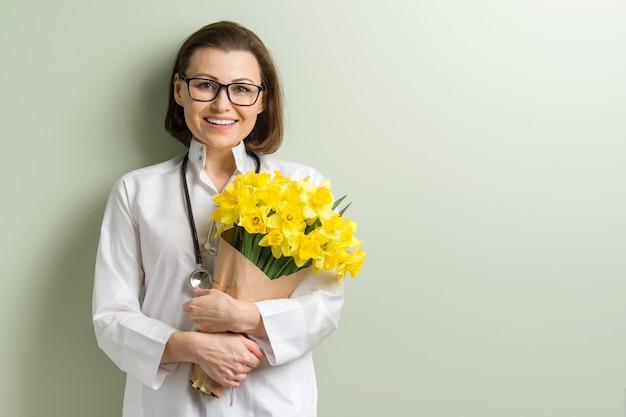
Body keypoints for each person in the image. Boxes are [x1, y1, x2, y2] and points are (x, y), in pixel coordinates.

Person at [92, 21, 344, 417]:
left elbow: (325, 305)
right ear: (179, 90)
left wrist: (248, 317)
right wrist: (191, 345)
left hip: (272, 400)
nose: (222, 105)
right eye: (206, 85)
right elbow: (110, 315)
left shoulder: (302, 186)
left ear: (263, 101)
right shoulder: (135, 191)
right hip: (171, 403)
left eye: (242, 89)